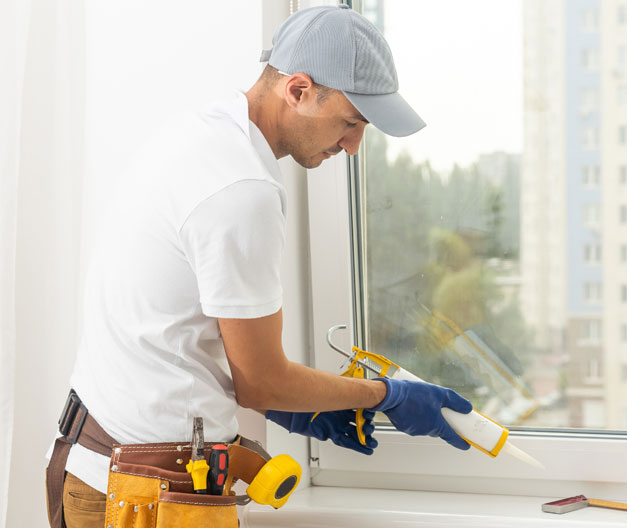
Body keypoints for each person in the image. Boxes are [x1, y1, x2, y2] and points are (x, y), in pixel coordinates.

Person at [44, 6, 472, 528]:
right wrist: (388, 395)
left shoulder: (200, 136)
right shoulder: (242, 190)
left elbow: (180, 334)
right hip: (143, 494)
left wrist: (296, 405)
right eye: (351, 122)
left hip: (102, 462)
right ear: (298, 89)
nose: (354, 146)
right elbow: (262, 381)